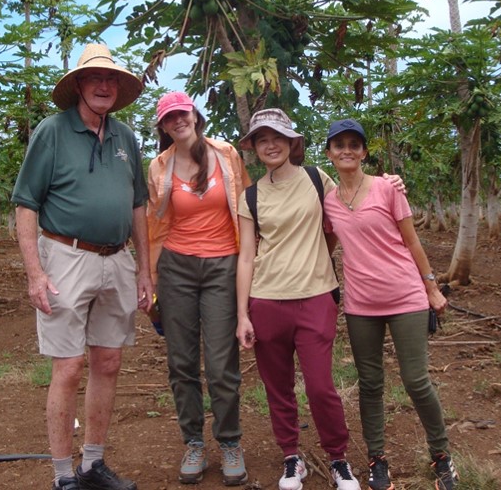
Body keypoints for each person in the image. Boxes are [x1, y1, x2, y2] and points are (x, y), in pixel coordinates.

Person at [12, 43, 154, 490]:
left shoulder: (126, 137)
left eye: (111, 80)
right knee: (69, 366)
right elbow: (25, 203)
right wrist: (35, 273)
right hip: (65, 255)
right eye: (96, 78)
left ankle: (92, 464)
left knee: (108, 361)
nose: (104, 86)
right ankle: (61, 475)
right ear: (79, 84)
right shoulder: (52, 132)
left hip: (117, 259)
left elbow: (137, 207)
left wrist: (145, 270)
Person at [322, 118, 458, 490]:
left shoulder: (387, 188)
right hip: (361, 304)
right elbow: (325, 245)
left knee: (416, 381)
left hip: (406, 297)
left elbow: (412, 242)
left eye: (354, 144)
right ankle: (377, 459)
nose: (347, 150)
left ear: (364, 152)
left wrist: (432, 288)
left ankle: (442, 455)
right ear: (330, 153)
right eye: (339, 144)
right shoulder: (329, 202)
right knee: (370, 383)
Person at [234, 108, 363, 490]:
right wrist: (242, 314)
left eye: (277, 137)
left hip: (315, 297)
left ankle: (338, 458)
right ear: (255, 148)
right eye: (261, 139)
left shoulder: (316, 179)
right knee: (278, 386)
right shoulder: (251, 196)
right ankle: (292, 456)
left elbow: (345, 211)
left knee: (321, 385)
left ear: (292, 142)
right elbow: (245, 256)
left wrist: (390, 184)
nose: (270, 145)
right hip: (266, 299)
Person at [146, 92, 250, 486]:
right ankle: (193, 441)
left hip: (224, 265)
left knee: (222, 364)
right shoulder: (159, 166)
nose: (177, 121)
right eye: (169, 118)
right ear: (163, 126)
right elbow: (154, 223)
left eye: (182, 113)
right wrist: (151, 279)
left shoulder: (225, 154)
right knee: (182, 363)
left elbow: (247, 207)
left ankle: (229, 442)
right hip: (176, 268)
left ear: (195, 114)